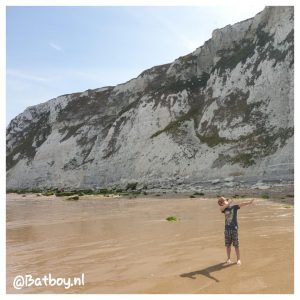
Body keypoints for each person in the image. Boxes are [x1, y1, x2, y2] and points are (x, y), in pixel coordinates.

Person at [217, 196, 254, 265]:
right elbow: (221, 208)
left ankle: (238, 259)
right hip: (227, 230)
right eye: (225, 200)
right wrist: (228, 203)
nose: (227, 201)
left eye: (227, 200)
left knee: (236, 245)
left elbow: (242, 204)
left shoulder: (234, 207)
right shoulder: (224, 209)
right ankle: (228, 259)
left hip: (234, 229)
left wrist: (249, 202)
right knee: (228, 245)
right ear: (222, 203)